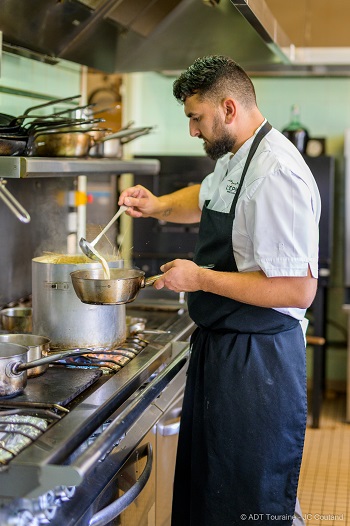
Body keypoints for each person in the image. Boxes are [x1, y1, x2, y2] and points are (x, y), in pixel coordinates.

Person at [118, 55, 321, 526]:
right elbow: (206, 194)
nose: (193, 131)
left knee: (249, 500)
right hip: (224, 351)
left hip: (259, 365)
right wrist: (157, 205)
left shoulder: (277, 174)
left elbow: (297, 289)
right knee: (212, 496)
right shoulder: (235, 156)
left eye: (195, 118)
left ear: (228, 108)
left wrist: (199, 278)